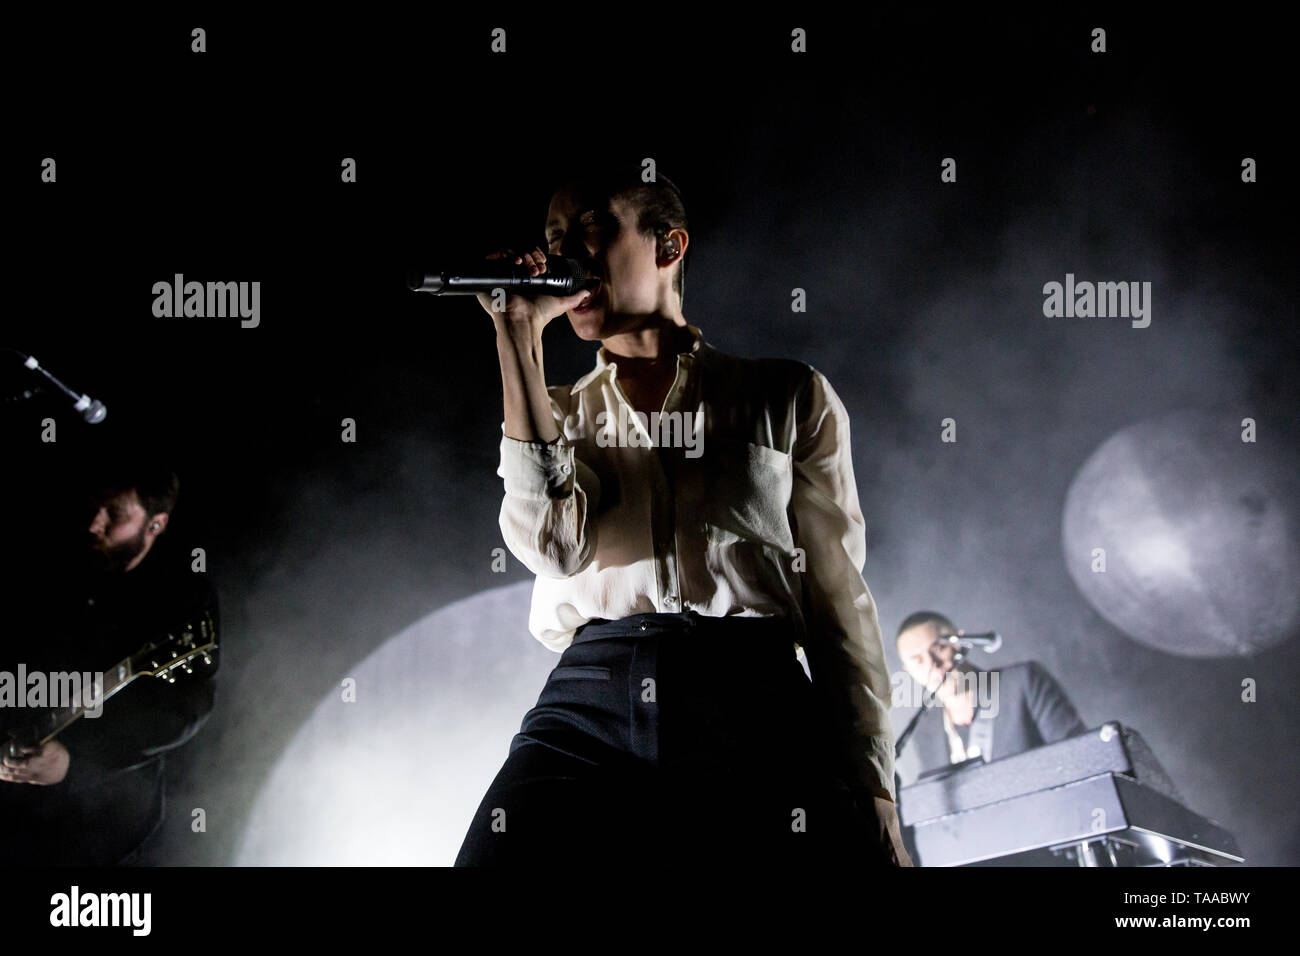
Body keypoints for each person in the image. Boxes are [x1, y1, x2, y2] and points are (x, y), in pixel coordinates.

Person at [453, 163, 910, 866]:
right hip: (591, 697)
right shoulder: (559, 411)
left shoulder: (786, 395)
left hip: (753, 693)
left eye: (591, 232)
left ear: (668, 247)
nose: (567, 256)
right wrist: (516, 334)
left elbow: (839, 600)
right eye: (553, 240)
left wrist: (875, 782)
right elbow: (554, 549)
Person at [0, 452, 219, 865]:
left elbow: (184, 710)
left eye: (113, 514)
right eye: (93, 507)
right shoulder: (42, 565)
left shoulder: (183, 596)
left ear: (156, 524)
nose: (93, 524)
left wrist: (76, 763)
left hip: (102, 833)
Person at [894, 610, 1087, 776]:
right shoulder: (923, 732)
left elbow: (1081, 758)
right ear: (909, 671)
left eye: (940, 648)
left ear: (961, 643)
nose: (932, 664)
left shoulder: (1023, 681)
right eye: (918, 660)